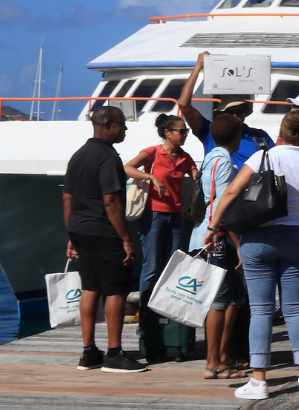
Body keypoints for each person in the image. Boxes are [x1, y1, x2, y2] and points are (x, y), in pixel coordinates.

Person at [205, 108, 299, 399]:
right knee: (296, 308)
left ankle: (259, 381)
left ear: (281, 133)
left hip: (258, 238)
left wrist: (213, 226)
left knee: (261, 310)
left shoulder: (262, 157)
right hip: (297, 238)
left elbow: (232, 192)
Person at [62, 105, 146, 373]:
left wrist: (71, 235)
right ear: (107, 124)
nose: (125, 128)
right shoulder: (108, 157)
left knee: (90, 288)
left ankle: (88, 352)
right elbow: (110, 201)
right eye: (122, 123)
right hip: (105, 231)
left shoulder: (78, 155)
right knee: (117, 289)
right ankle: (114, 353)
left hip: (81, 230)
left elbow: (67, 199)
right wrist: (126, 239)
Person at [188, 112, 247, 379]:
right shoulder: (224, 162)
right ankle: (213, 361)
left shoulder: (211, 156)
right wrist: (239, 244)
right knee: (219, 300)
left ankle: (223, 357)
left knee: (234, 297)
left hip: (206, 233)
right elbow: (225, 205)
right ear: (236, 137)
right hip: (218, 237)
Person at [125, 113, 197, 297]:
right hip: (153, 215)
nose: (185, 134)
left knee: (172, 265)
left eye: (186, 131)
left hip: (176, 217)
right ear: (168, 133)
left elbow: (199, 179)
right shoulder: (153, 152)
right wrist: (150, 177)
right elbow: (127, 168)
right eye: (181, 131)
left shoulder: (185, 158)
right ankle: (146, 318)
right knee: (151, 266)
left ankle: (164, 313)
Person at [177, 51, 274, 168]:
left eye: (239, 111)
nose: (235, 115)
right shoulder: (209, 132)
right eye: (230, 111)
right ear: (222, 113)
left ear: (245, 113)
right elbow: (183, 104)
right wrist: (198, 66)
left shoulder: (260, 136)